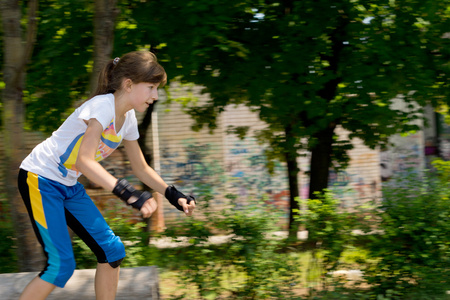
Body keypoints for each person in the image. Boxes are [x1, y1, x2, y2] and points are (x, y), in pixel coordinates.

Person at [17, 50, 196, 300]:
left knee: (112, 251)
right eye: (151, 88)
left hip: (67, 184)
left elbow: (141, 167)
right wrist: (128, 193)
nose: (155, 96)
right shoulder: (102, 107)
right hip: (40, 179)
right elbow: (85, 161)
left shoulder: (128, 118)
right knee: (60, 266)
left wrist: (173, 194)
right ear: (129, 84)